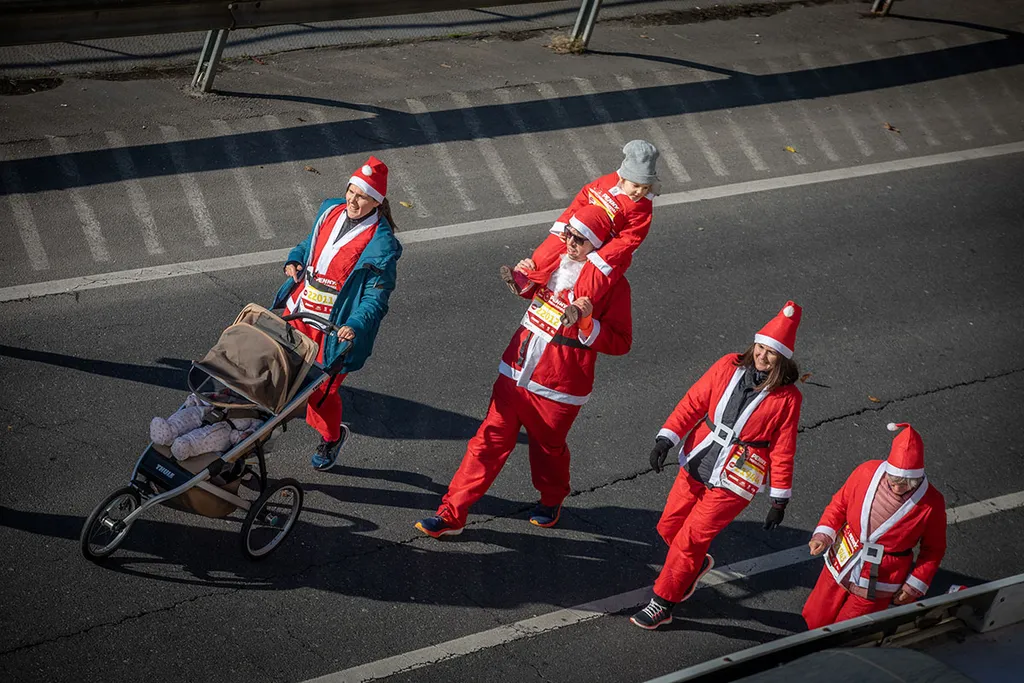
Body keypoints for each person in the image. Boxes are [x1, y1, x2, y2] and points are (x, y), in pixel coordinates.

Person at [416, 205, 633, 537]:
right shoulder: (555, 262)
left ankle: (551, 498)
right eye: (568, 236)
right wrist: (522, 279)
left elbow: (621, 342)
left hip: (559, 387)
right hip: (515, 370)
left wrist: (588, 322)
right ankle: (451, 513)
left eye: (580, 239)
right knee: (485, 443)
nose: (570, 243)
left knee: (548, 450)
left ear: (598, 244)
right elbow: (534, 296)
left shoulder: (614, 286)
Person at [632, 302, 804, 630]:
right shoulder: (727, 365)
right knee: (670, 526)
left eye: (771, 353)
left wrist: (779, 499)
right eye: (761, 348)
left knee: (689, 540)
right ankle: (691, 567)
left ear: (782, 360)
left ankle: (662, 602)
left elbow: (783, 450)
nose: (762, 357)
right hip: (700, 455)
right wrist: (666, 439)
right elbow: (693, 402)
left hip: (738, 476)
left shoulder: (788, 398)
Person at [272, 156, 402, 470]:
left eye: (362, 196)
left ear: (376, 203)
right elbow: (311, 243)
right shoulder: (329, 210)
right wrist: (296, 259)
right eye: (351, 192)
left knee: (319, 396)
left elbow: (376, 297)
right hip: (298, 312)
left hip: (333, 331)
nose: (353, 201)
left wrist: (354, 325)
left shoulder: (382, 246)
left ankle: (331, 438)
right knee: (273, 373)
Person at [801, 422, 947, 630]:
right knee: (816, 616)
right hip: (844, 557)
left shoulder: (932, 503)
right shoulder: (865, 472)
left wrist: (913, 585)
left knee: (848, 630)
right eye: (894, 480)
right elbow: (839, 505)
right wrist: (823, 535)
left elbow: (933, 550)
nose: (898, 487)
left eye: (906, 484)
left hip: (881, 577)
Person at [500, 140, 658, 326]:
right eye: (636, 186)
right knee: (545, 254)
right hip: (580, 232)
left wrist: (599, 257)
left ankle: (577, 308)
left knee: (592, 279)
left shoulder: (642, 208)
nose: (639, 192)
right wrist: (564, 228)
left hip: (607, 254)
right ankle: (525, 280)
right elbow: (581, 200)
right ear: (622, 177)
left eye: (645, 187)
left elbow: (630, 239)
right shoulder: (605, 183)